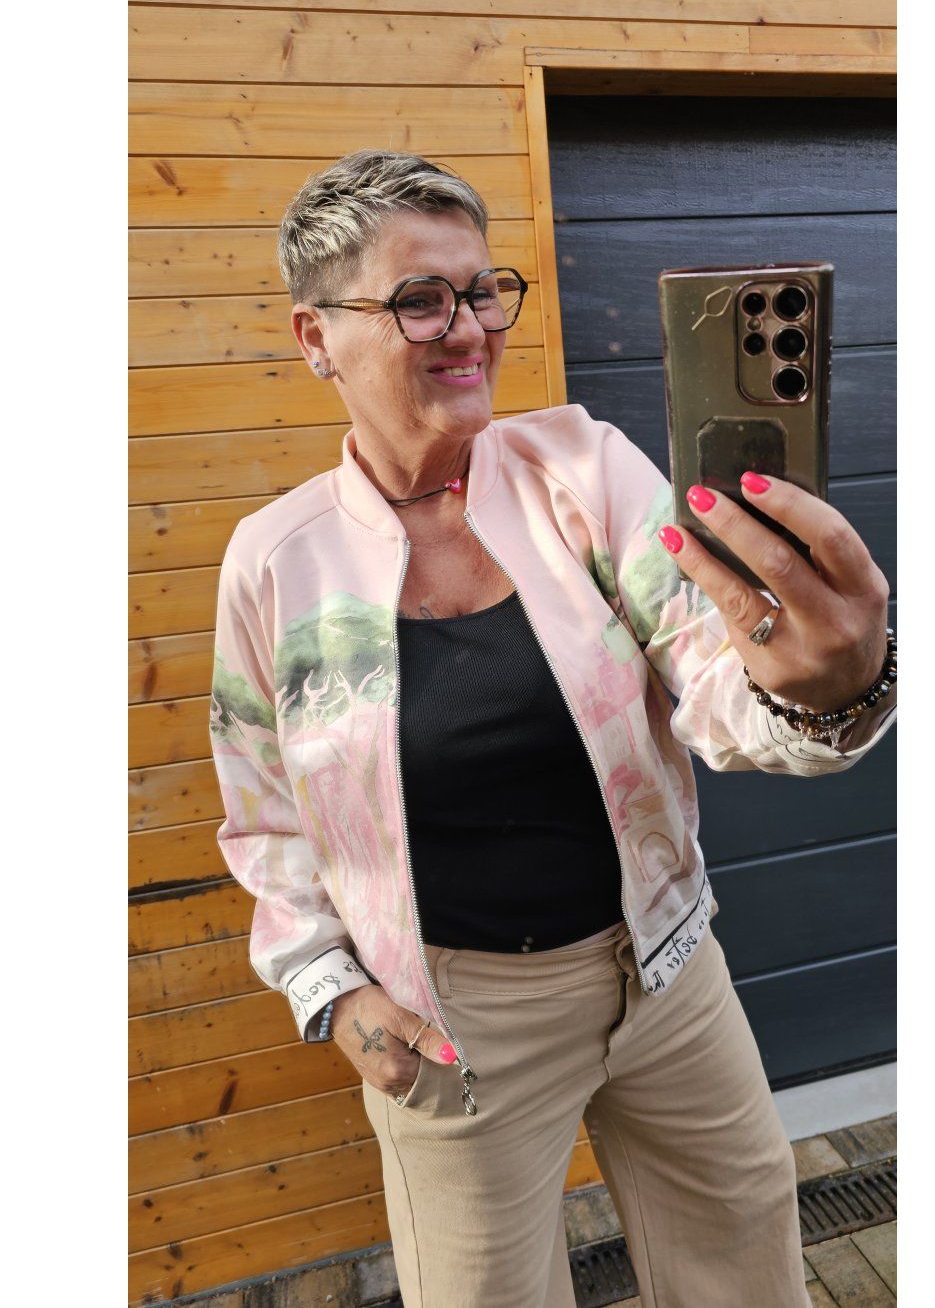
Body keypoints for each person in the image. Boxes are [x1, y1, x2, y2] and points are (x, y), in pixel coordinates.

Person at [209, 148, 896, 1308]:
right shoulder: (278, 564)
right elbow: (263, 810)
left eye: (482, 289)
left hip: (665, 966)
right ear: (316, 336)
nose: (470, 327)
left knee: (745, 1258)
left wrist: (827, 690)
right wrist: (332, 993)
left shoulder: (578, 471)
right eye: (420, 298)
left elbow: (714, 687)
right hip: (452, 1020)